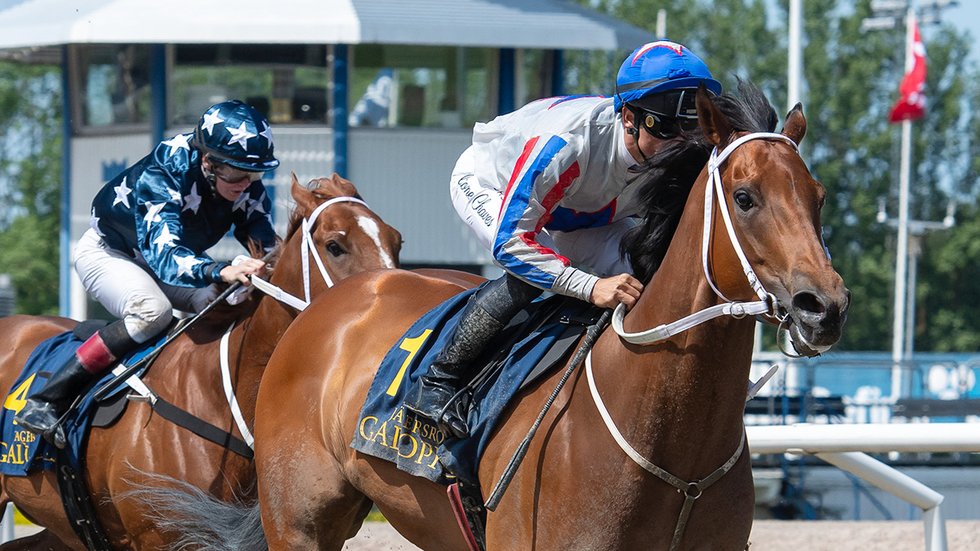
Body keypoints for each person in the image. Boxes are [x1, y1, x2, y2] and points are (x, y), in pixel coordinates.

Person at [403, 40, 723, 438]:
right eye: (667, 126)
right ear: (628, 117)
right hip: (495, 188)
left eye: (691, 126)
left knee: (653, 271)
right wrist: (591, 287)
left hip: (583, 215)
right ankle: (437, 382)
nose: (681, 141)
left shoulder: (677, 149)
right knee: (531, 272)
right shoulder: (568, 142)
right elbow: (512, 242)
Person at [15, 100, 279, 448]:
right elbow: (166, 258)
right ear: (208, 162)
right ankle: (48, 400)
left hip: (167, 259)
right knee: (152, 312)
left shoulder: (239, 181)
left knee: (222, 303)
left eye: (256, 174)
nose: (247, 184)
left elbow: (265, 241)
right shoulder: (165, 169)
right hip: (110, 253)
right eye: (238, 174)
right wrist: (222, 268)